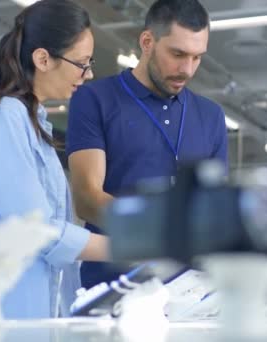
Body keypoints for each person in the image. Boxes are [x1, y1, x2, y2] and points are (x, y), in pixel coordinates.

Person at [0, 0, 108, 319]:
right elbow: (37, 231)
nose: (88, 73)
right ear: (43, 59)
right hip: (0, 315)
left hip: (27, 315)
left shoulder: (30, 123)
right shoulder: (3, 117)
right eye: (82, 63)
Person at [66, 0, 229, 289]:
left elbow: (213, 207)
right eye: (177, 54)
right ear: (147, 42)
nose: (187, 69)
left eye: (197, 57)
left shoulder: (211, 116)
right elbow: (88, 199)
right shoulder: (94, 99)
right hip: (114, 289)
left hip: (191, 293)